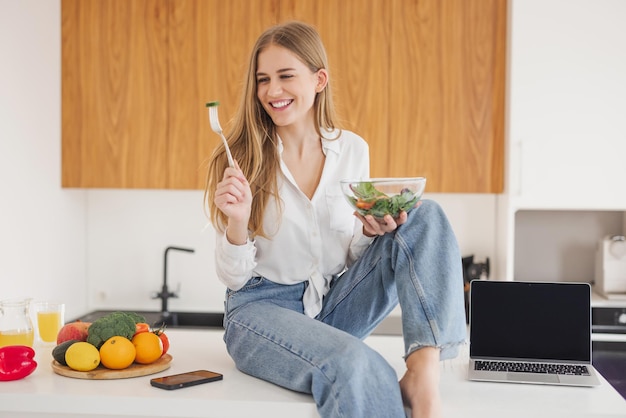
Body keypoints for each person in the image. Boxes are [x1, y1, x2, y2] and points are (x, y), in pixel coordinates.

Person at [205, 21, 466, 418]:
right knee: (358, 363)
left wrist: (369, 231)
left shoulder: (351, 151)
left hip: (331, 305)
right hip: (258, 310)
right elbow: (234, 280)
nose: (272, 91)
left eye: (285, 76)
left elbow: (352, 256)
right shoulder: (242, 158)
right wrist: (237, 222)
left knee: (424, 214)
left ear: (319, 79)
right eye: (263, 80)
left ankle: (422, 373)